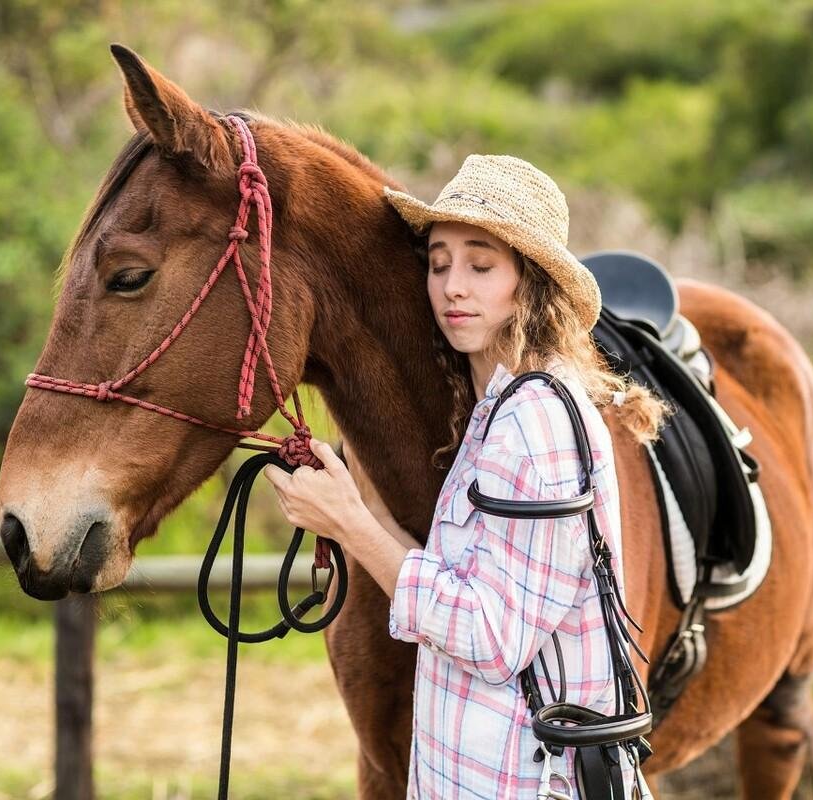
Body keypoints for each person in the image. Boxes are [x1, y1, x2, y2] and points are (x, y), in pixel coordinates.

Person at [263, 154, 666, 798]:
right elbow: (461, 580)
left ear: (528, 285)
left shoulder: (535, 422)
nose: (453, 286)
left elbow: (488, 636)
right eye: (439, 262)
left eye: (481, 266)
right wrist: (348, 489)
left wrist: (348, 523)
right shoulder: (493, 410)